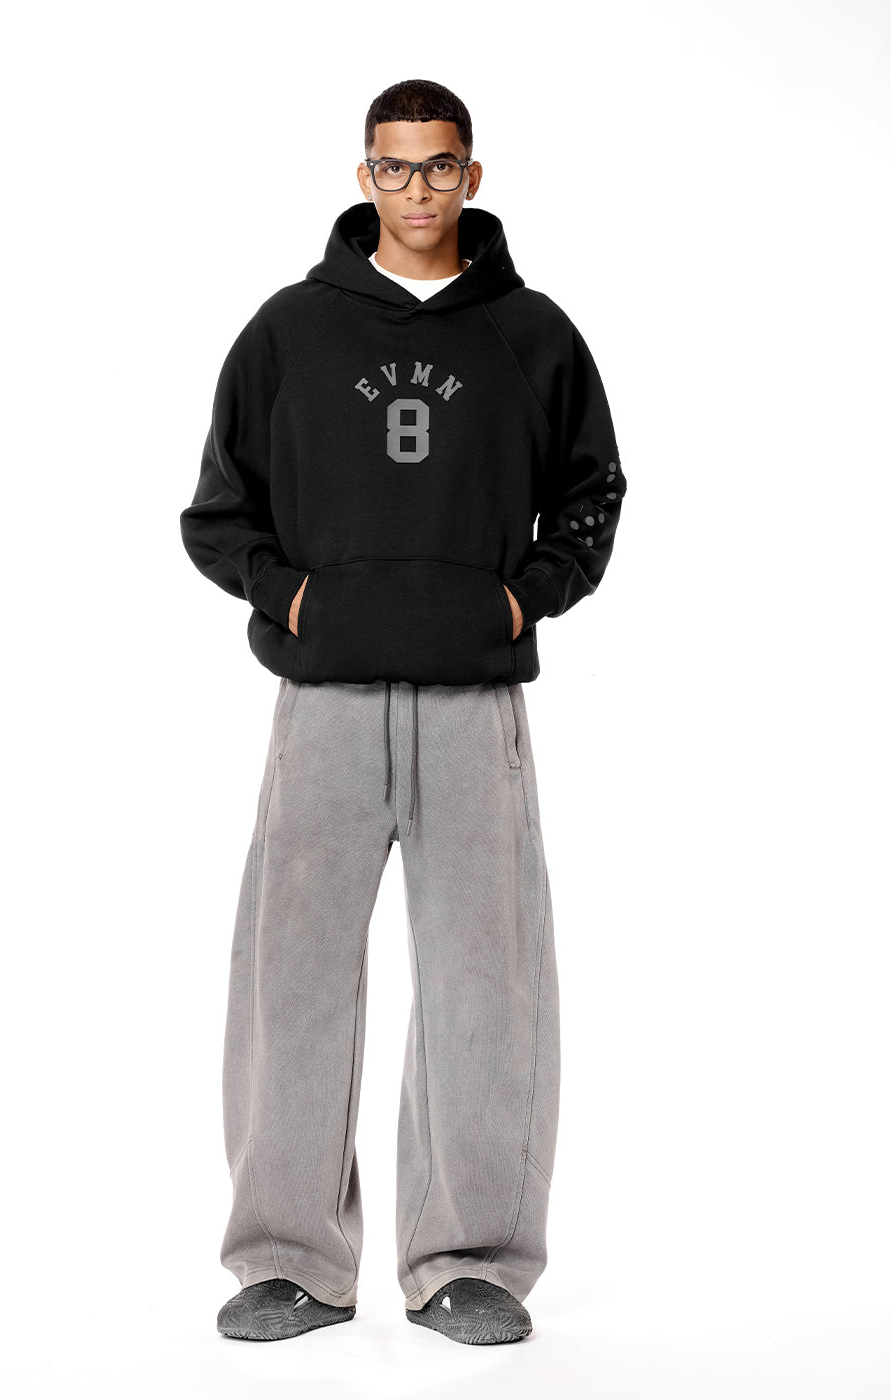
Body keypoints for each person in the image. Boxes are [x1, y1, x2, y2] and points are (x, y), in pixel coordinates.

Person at [179, 77, 626, 1347]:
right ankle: (287, 1260)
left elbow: (592, 492)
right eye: (393, 166)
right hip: (322, 698)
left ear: (470, 177)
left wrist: (519, 599)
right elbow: (217, 512)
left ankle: (469, 1261)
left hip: (473, 699)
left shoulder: (532, 332)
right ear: (363, 174)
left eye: (437, 167)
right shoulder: (288, 331)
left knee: (488, 980)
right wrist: (296, 598)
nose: (415, 188)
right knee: (291, 980)